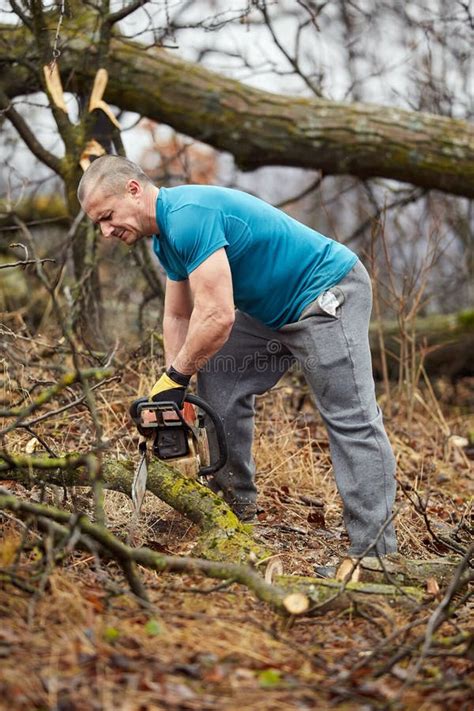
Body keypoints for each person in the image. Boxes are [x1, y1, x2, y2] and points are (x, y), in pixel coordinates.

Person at [78, 155, 397, 566]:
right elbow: (179, 315)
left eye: (107, 216)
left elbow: (218, 315)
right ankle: (231, 512)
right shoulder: (165, 238)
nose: (105, 231)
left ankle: (377, 558)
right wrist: (172, 389)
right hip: (270, 314)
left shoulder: (189, 217)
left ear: (134, 190)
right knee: (218, 385)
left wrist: (176, 376)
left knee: (351, 417)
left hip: (326, 294)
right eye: (97, 224)